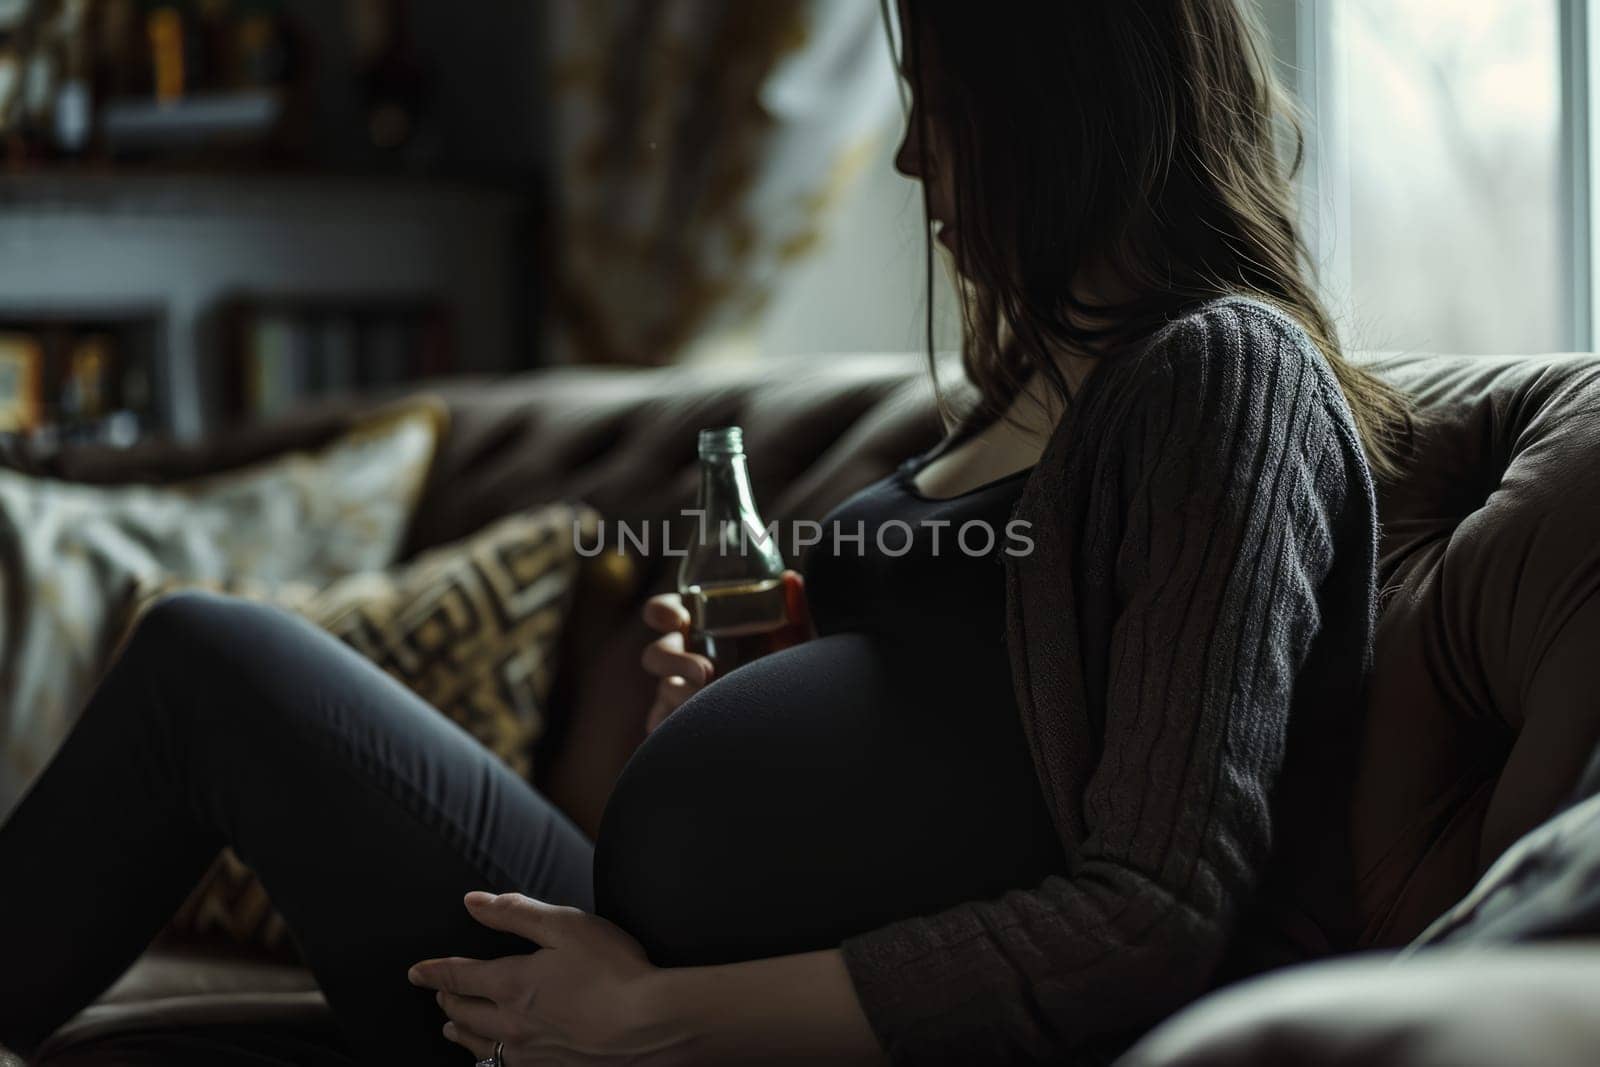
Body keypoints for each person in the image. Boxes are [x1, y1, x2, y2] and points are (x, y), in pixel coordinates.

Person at [0, 1, 1408, 1063]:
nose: (915, 158)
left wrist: (655, 1019)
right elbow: (959, 742)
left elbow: (1146, 917)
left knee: (204, 663)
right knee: (191, 724)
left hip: (714, 1028)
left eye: (944, 103)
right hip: (657, 965)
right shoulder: (1035, 383)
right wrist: (750, 700)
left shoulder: (1223, 377)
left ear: (1067, 104)